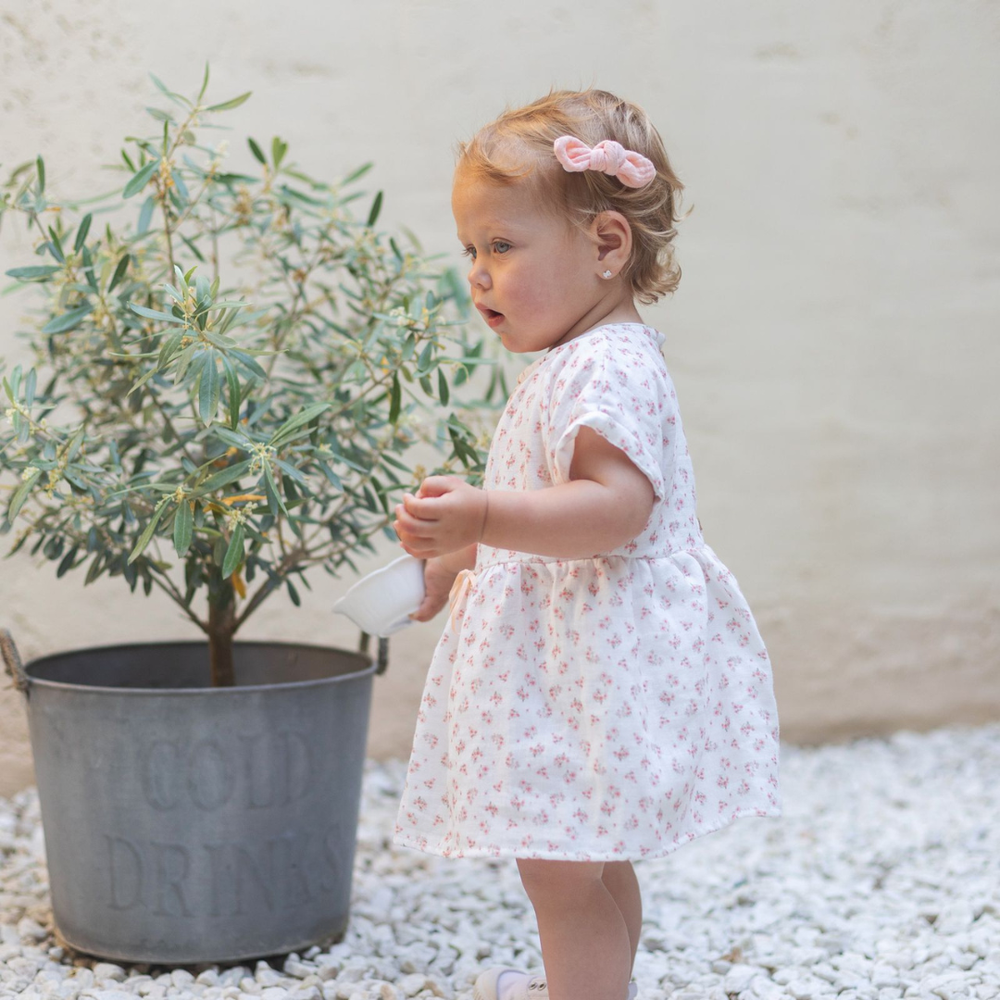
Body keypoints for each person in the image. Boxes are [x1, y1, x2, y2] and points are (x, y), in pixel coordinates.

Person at [391, 88, 781, 1000]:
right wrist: (461, 558)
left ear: (607, 246)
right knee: (586, 856)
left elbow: (614, 510)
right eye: (471, 251)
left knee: (558, 868)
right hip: (579, 659)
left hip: (589, 666)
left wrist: (484, 516)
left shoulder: (605, 366)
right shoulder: (581, 360)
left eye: (501, 246)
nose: (478, 274)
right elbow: (550, 515)